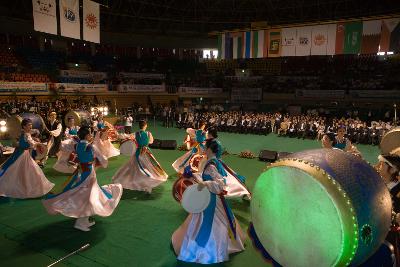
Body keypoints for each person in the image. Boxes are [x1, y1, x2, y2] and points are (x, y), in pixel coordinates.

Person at [171, 139, 246, 264]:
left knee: (209, 223)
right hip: (211, 197)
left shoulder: (211, 164)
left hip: (211, 199)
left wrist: (205, 184)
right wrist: (194, 176)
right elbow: (208, 177)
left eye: (206, 148)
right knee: (209, 221)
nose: (204, 149)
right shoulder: (213, 162)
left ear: (210, 150)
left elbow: (221, 184)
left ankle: (207, 251)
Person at [43, 126, 123, 232]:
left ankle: (84, 220)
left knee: (87, 195)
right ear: (86, 135)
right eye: (90, 134)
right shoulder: (90, 147)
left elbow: (67, 150)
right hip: (88, 173)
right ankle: (80, 222)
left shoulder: (77, 145)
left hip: (81, 172)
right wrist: (102, 161)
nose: (91, 135)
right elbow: (102, 159)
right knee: (87, 197)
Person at [0, 118, 54, 198]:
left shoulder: (25, 133)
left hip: (22, 154)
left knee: (20, 172)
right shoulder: (26, 134)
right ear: (24, 126)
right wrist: (38, 144)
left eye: (31, 124)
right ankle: (40, 189)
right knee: (18, 172)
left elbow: (29, 143)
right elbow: (31, 144)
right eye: (29, 125)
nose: (31, 126)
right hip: (21, 156)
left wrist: (36, 142)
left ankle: (41, 189)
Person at [112, 120, 168, 193]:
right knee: (149, 166)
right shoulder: (148, 133)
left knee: (136, 167)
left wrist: (117, 134)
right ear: (145, 126)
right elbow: (151, 141)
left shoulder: (136, 133)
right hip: (146, 152)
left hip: (138, 153)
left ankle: (138, 181)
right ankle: (149, 182)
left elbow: (126, 136)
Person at [202, 128, 251, 200]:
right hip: (217, 161)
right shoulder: (216, 142)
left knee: (228, 180)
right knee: (230, 177)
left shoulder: (212, 144)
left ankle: (242, 191)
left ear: (209, 134)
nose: (206, 134)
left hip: (216, 162)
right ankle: (242, 191)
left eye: (207, 133)